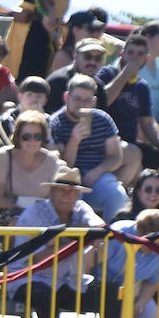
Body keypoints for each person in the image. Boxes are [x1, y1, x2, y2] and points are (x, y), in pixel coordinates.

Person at [9, 165, 108, 318]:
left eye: (72, 190)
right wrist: (74, 237)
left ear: (78, 194)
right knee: (44, 295)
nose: (67, 194)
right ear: (51, 191)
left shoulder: (81, 209)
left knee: (109, 292)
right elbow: (39, 260)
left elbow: (98, 224)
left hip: (67, 280)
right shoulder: (34, 214)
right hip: (26, 278)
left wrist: (91, 228)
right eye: (62, 189)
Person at [99, 34, 159, 191]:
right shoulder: (106, 74)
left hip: (130, 141)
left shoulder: (142, 86)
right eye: (131, 53)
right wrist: (124, 76)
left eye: (140, 54)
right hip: (106, 141)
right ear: (122, 53)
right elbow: (103, 101)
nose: (134, 58)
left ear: (146, 58)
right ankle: (116, 196)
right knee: (134, 155)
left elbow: (148, 122)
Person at [48, 74, 128, 218]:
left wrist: (98, 171)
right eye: (77, 99)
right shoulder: (55, 123)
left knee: (118, 195)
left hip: (97, 176)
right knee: (70, 198)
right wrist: (74, 140)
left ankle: (112, 237)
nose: (82, 104)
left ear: (94, 101)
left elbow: (116, 157)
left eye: (87, 100)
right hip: (68, 180)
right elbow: (62, 166)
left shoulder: (103, 119)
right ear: (67, 97)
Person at [0, 111, 60, 225]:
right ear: (17, 137)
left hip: (41, 216)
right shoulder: (4, 156)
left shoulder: (51, 160)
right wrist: (26, 208)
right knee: (18, 222)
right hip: (7, 216)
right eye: (26, 137)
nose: (32, 141)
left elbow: (54, 202)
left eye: (37, 136)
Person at [45, 38, 110, 116]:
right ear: (75, 55)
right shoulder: (59, 81)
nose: (92, 62)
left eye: (98, 58)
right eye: (87, 56)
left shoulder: (99, 87)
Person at [0, 75, 51, 151]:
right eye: (29, 94)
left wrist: (42, 121)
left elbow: (52, 149)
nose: (34, 99)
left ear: (45, 101)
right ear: (20, 96)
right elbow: (15, 149)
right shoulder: (6, 120)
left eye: (39, 96)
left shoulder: (49, 121)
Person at [48, 9, 107, 74]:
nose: (96, 33)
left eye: (97, 29)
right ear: (76, 30)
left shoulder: (98, 54)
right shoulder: (63, 56)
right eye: (91, 29)